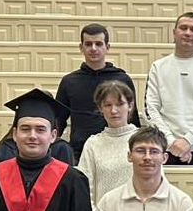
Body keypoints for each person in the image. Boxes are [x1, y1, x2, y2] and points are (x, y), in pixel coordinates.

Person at [145, 12, 193, 166]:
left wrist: (188, 140)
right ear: (174, 33)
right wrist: (171, 142)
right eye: (183, 28)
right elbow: (150, 109)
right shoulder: (158, 67)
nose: (188, 33)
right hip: (165, 148)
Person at [57, 23, 141, 155]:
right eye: (88, 44)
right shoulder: (69, 81)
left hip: (118, 149)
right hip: (79, 151)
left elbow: (132, 119)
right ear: (81, 48)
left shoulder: (122, 79)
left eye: (98, 44)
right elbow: (58, 121)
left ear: (107, 47)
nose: (93, 48)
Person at [76, 80, 139, 204]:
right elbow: (84, 186)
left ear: (130, 105)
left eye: (120, 104)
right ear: (101, 108)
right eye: (108, 105)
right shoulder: (93, 144)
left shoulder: (144, 139)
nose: (114, 110)